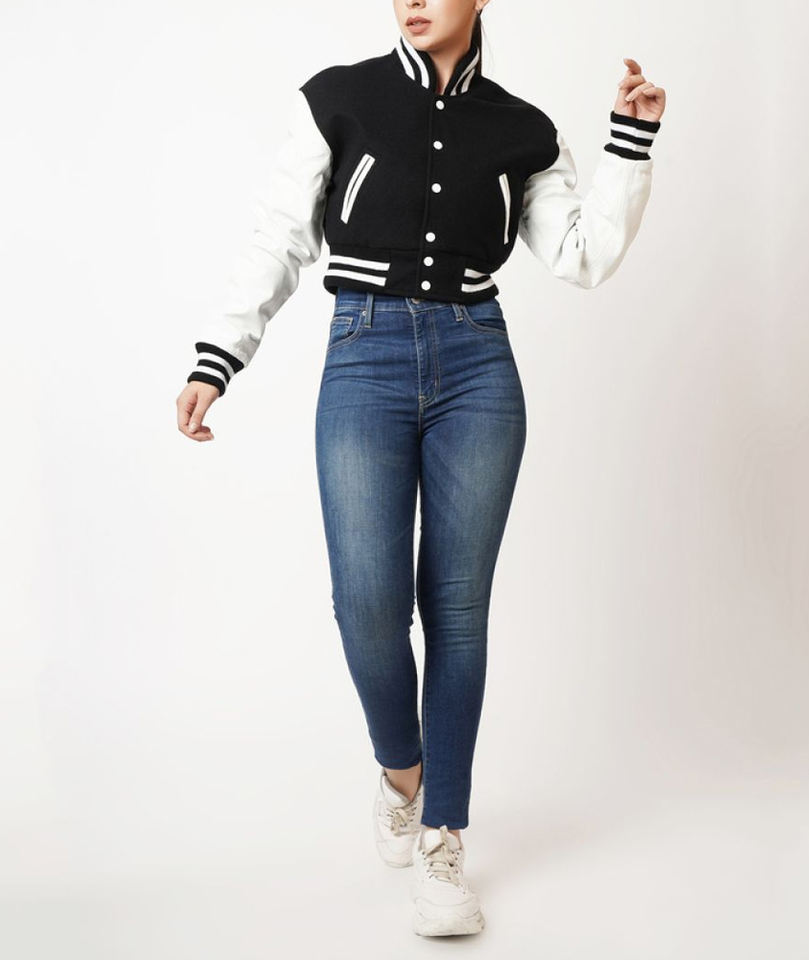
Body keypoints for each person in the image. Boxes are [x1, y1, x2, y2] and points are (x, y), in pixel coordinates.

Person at [175, 0, 666, 938]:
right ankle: (403, 771)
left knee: (457, 611)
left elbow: (581, 255)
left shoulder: (523, 130)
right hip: (362, 354)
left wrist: (629, 143)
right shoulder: (338, 99)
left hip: (478, 364)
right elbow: (279, 238)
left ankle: (444, 839)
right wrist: (218, 357)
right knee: (367, 603)